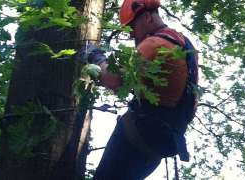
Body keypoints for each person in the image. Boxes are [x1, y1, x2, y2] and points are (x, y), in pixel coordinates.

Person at [78, 0, 198, 179]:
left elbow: (113, 79)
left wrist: (96, 57)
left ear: (148, 17)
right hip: (160, 144)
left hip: (137, 139)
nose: (132, 34)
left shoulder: (155, 44)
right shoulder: (184, 45)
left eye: (133, 27)